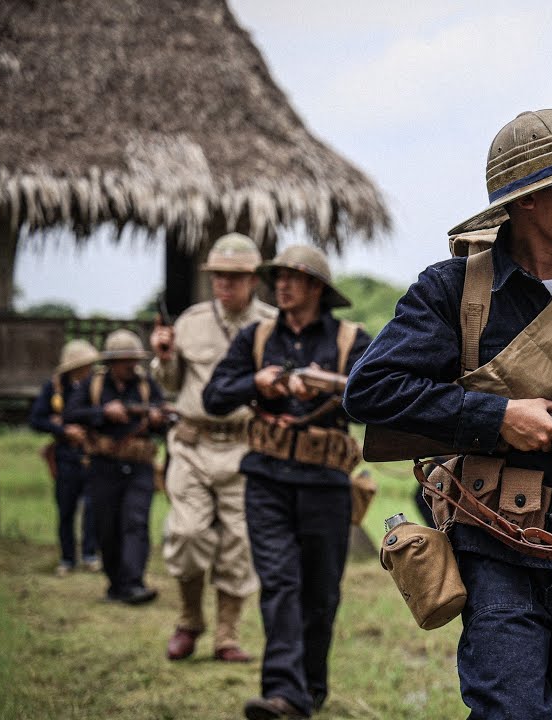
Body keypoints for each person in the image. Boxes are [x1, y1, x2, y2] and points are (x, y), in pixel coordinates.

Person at [344, 109, 552, 719]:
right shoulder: (452, 290)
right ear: (529, 199)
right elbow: (369, 389)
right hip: (495, 545)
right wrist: (494, 416)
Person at [202, 244, 370, 720]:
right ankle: (284, 693)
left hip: (326, 484)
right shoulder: (256, 338)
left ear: (316, 287)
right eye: (277, 278)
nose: (281, 285)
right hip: (266, 482)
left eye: (292, 278)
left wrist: (325, 384)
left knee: (320, 594)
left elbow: (380, 391)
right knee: (279, 584)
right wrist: (258, 382)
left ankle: (309, 689)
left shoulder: (351, 341)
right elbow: (214, 396)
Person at [150, 233, 277, 663]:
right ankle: (189, 621)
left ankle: (227, 635)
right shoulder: (189, 322)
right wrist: (164, 358)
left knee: (239, 544)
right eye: (218, 276)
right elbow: (169, 385)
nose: (225, 284)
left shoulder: (272, 324)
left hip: (245, 445)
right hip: (192, 442)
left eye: (235, 277)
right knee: (186, 533)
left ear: (253, 279)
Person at [64, 329, 167, 605]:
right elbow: (71, 414)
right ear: (111, 362)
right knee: (106, 526)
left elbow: (164, 414)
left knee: (136, 522)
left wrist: (157, 418)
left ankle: (134, 583)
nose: (129, 365)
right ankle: (116, 584)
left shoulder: (146, 385)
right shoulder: (93, 385)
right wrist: (103, 412)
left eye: (132, 359)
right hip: (103, 465)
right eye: (123, 360)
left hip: (139, 464)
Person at [29, 338, 103, 576]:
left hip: (92, 454)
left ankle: (90, 554)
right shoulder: (55, 388)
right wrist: (63, 430)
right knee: (66, 510)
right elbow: (36, 419)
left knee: (93, 508)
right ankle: (67, 558)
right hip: (65, 457)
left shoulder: (98, 386)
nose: (87, 368)